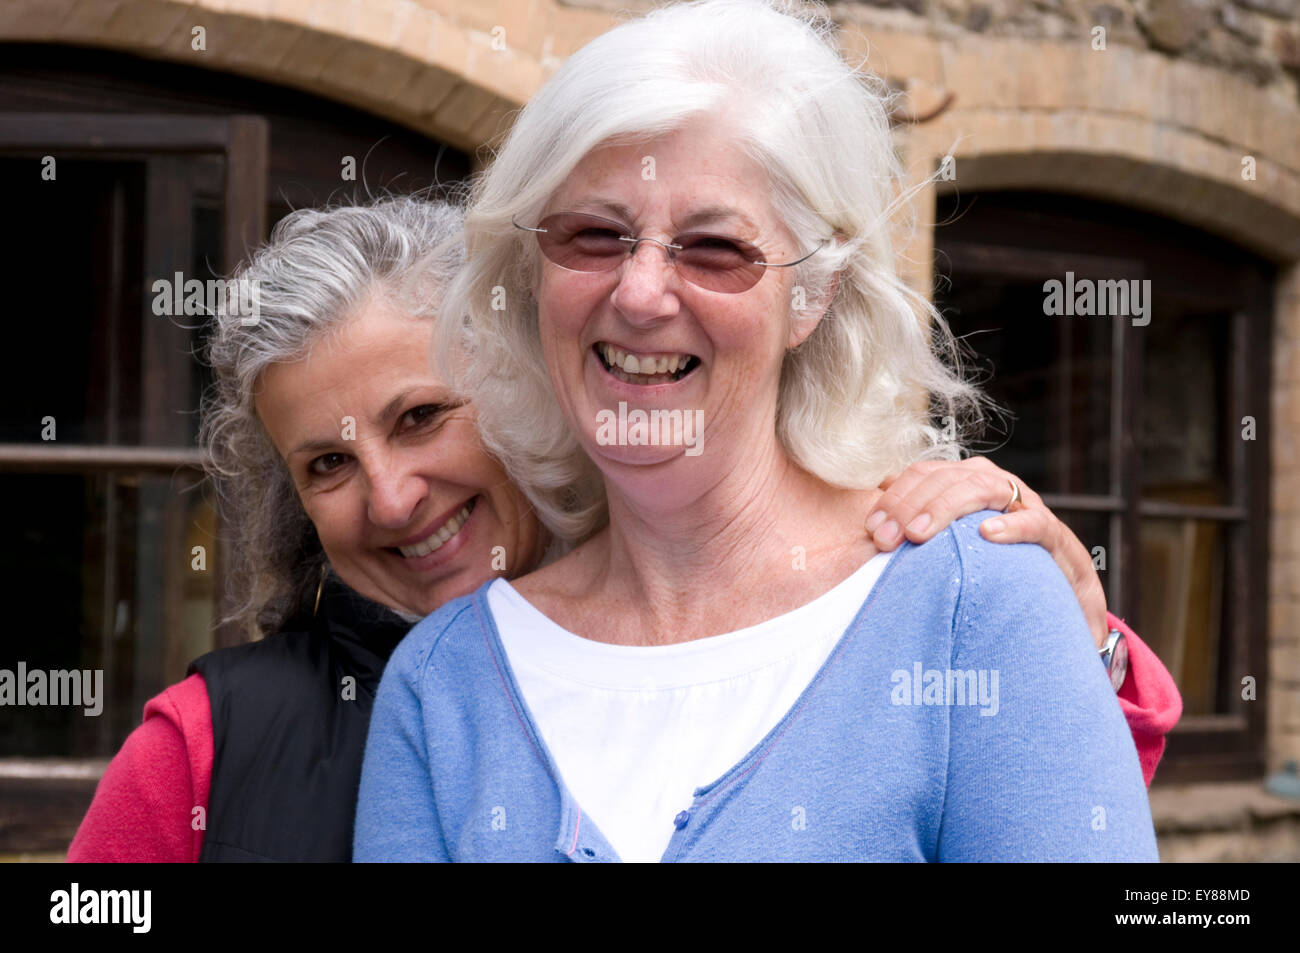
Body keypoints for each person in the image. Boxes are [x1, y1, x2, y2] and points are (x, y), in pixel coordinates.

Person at [69, 189, 1173, 863]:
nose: (394, 496)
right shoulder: (202, 746)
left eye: (422, 418)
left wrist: (1079, 643)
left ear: (524, 388)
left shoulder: (836, 596)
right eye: (328, 463)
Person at [354, 0, 1168, 862]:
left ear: (812, 294)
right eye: (593, 235)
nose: (638, 293)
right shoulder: (443, 683)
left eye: (713, 249)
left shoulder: (974, 605)